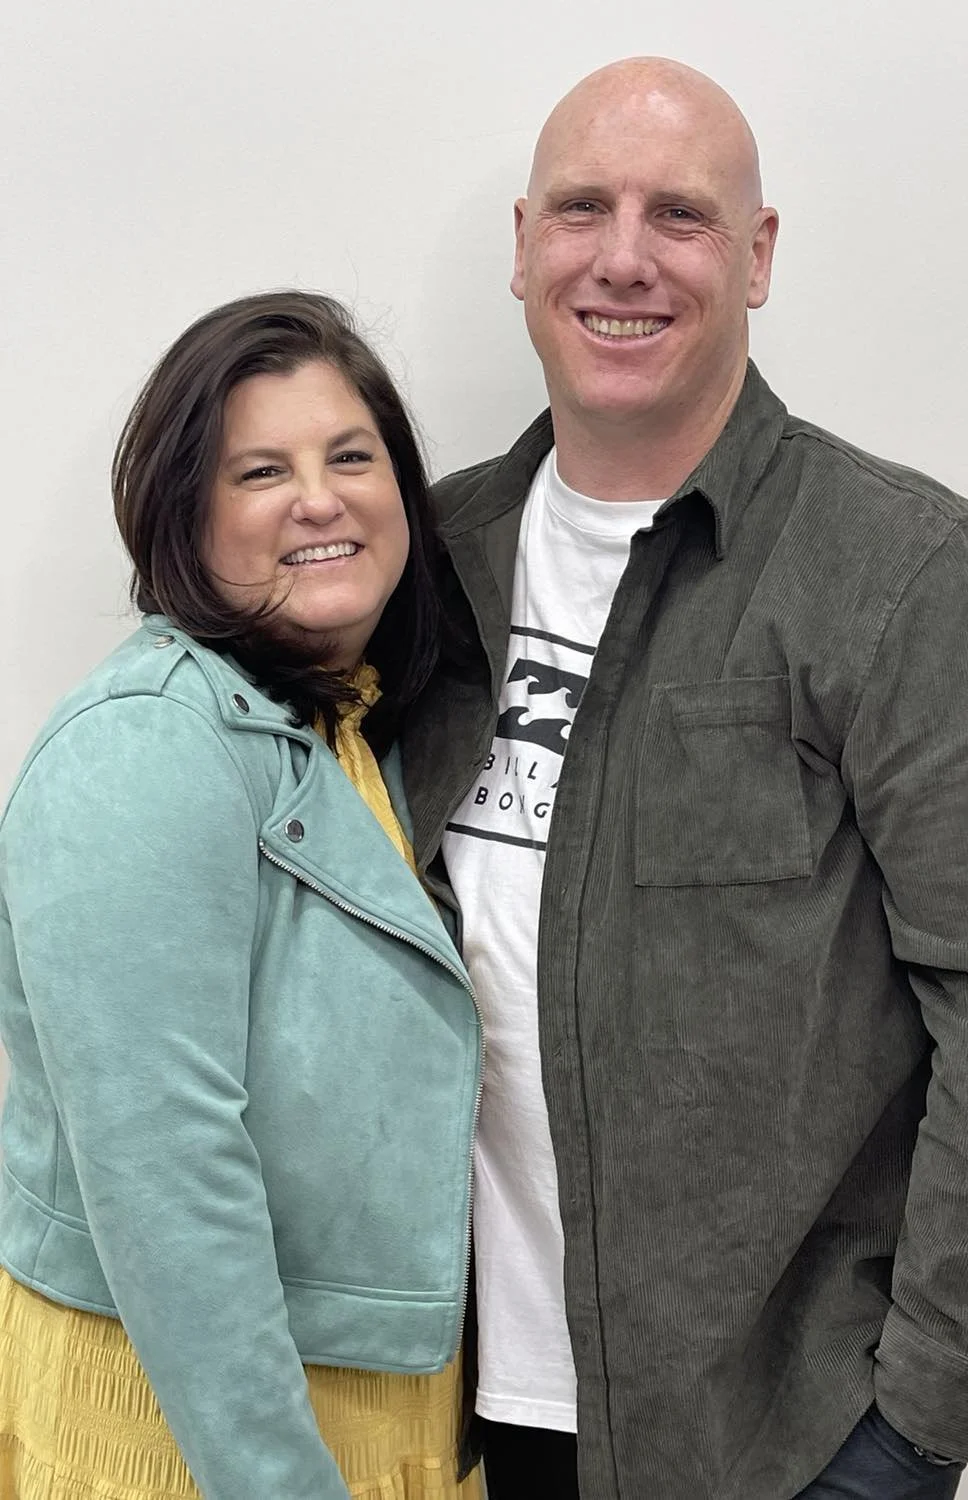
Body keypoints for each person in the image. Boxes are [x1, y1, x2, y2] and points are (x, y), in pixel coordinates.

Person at [399, 56, 968, 1500]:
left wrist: (912, 1430)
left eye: (679, 215)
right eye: (581, 209)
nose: (622, 258)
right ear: (524, 247)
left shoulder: (911, 582)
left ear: (757, 256)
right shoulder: (420, 572)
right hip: (462, 1414)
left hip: (782, 1443)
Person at [0, 291, 484, 1500]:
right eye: (261, 471)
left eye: (351, 457)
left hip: (363, 1399)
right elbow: (166, 1186)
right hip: (189, 1428)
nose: (319, 500)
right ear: (185, 515)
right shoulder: (145, 747)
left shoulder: (343, 727)